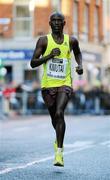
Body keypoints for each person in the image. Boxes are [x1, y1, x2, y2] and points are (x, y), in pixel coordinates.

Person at [30, 12, 83, 167]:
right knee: (55, 117)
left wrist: (80, 65)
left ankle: (59, 152)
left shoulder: (71, 41)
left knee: (60, 112)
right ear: (50, 23)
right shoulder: (43, 41)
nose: (57, 23)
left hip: (65, 83)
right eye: (54, 21)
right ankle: (58, 139)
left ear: (64, 23)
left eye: (60, 21)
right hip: (48, 85)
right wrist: (49, 56)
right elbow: (33, 63)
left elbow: (78, 53)